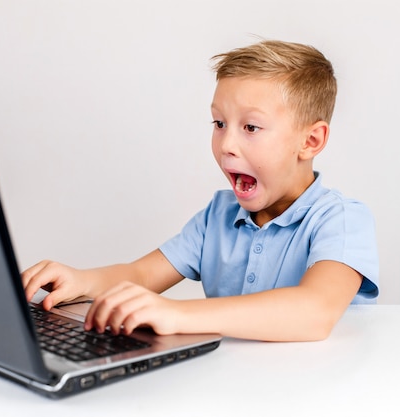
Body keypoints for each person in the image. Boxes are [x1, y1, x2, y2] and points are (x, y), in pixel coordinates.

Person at [22, 39, 379, 342]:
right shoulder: (218, 216)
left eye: (251, 127)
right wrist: (82, 280)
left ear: (310, 140)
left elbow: (315, 311)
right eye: (220, 123)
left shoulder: (341, 220)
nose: (227, 144)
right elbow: (142, 275)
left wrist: (176, 314)